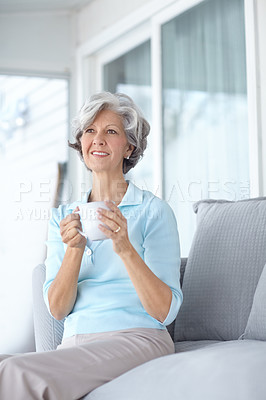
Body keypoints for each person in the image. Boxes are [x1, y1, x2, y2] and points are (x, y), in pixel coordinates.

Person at [0, 92, 183, 399]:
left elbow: (165, 311)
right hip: (75, 342)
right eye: (89, 131)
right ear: (81, 144)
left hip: (138, 338)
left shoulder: (153, 212)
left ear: (129, 147)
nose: (98, 139)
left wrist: (124, 247)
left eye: (110, 131)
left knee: (15, 373)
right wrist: (73, 249)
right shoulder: (64, 217)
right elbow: (57, 309)